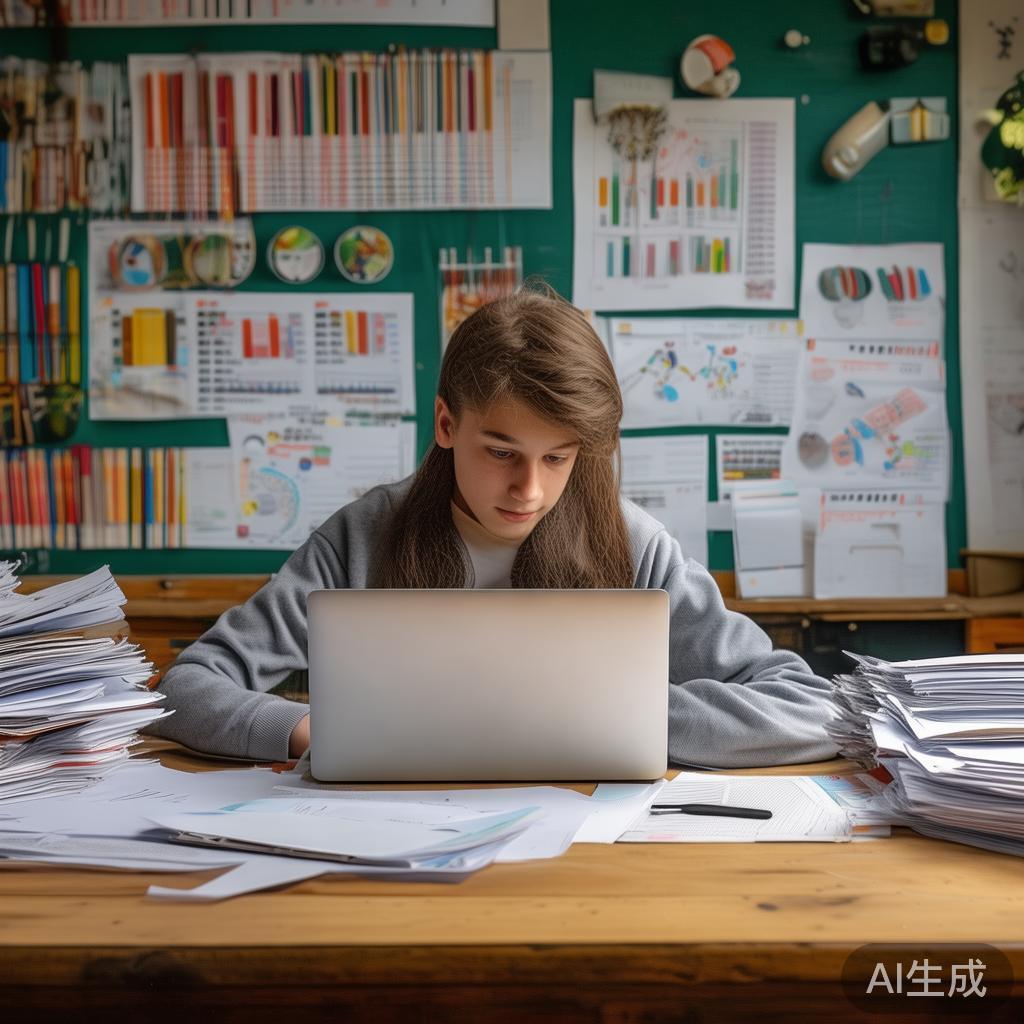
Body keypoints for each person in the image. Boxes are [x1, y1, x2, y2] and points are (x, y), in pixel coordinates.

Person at [146, 286, 838, 768]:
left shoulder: (635, 546)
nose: (528, 490)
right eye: (502, 452)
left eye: (557, 458)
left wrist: (618, 718)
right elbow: (185, 690)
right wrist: (303, 730)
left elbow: (810, 706)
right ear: (447, 424)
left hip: (595, 859)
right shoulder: (362, 537)